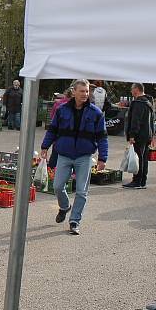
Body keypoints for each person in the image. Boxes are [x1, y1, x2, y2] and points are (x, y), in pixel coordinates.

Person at [40, 79, 108, 235]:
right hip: (64, 155)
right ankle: (64, 207)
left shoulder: (96, 113)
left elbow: (102, 138)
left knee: (81, 191)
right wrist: (45, 147)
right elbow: (52, 130)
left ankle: (74, 221)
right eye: (82, 91)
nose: (85, 94)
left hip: (84, 157)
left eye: (87, 91)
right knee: (57, 186)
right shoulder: (62, 110)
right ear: (74, 92)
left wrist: (102, 158)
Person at [122, 83, 155, 189]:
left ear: (136, 89)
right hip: (147, 134)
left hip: (139, 135)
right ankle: (142, 181)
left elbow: (135, 121)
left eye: (132, 89)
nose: (131, 92)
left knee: (138, 157)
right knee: (144, 158)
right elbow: (152, 120)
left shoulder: (138, 103)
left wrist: (132, 135)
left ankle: (137, 181)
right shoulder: (148, 102)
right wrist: (152, 135)